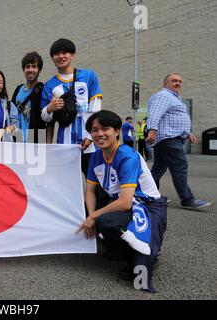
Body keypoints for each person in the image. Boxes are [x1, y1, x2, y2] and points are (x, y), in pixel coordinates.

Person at [77, 110, 167, 293]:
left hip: (147, 206)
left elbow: (126, 202)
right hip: (120, 202)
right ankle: (122, 251)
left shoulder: (128, 156)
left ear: (117, 131)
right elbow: (91, 192)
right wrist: (90, 215)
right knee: (85, 212)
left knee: (139, 277)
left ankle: (146, 255)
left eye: (105, 129)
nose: (99, 134)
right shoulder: (95, 157)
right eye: (95, 130)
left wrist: (94, 216)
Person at [146, 73, 211, 210]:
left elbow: (173, 118)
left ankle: (149, 194)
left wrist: (188, 133)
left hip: (170, 138)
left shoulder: (174, 98)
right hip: (168, 138)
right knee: (180, 166)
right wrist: (152, 130)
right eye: (174, 81)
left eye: (180, 81)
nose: (178, 83)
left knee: (158, 170)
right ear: (165, 84)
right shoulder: (163, 95)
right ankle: (187, 199)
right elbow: (155, 113)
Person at [41, 38, 103, 176]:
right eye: (57, 54)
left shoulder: (88, 76)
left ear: (72, 55)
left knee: (95, 182)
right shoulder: (49, 85)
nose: (61, 56)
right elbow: (45, 118)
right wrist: (50, 108)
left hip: (89, 142)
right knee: (66, 183)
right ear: (52, 58)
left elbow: (95, 107)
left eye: (65, 53)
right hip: (65, 144)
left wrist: (90, 135)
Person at [11, 52, 54, 143]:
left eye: (34, 66)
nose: (30, 70)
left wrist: (48, 144)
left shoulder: (44, 90)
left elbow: (50, 121)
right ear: (24, 69)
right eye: (28, 66)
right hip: (17, 137)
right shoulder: (18, 89)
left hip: (37, 137)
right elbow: (11, 114)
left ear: (39, 69)